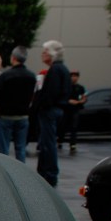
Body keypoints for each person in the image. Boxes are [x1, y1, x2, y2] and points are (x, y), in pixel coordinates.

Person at [34, 40, 72, 186]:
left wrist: (41, 105)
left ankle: (49, 173)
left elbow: (50, 94)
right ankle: (46, 172)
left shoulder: (55, 70)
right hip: (57, 109)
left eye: (45, 51)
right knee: (47, 142)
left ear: (52, 53)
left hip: (50, 110)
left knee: (47, 143)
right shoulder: (63, 69)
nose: (42, 54)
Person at [0, 45, 35, 163]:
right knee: (20, 148)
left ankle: (5, 169)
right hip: (23, 115)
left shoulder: (6, 75)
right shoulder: (31, 76)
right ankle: (21, 170)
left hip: (6, 115)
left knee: (3, 148)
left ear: (13, 58)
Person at [58, 70, 87, 153]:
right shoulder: (65, 87)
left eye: (76, 76)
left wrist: (79, 102)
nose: (74, 78)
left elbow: (84, 97)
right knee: (62, 126)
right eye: (72, 76)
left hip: (75, 109)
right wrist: (68, 101)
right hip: (66, 109)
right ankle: (60, 141)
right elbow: (60, 97)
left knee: (74, 127)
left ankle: (73, 144)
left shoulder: (80, 87)